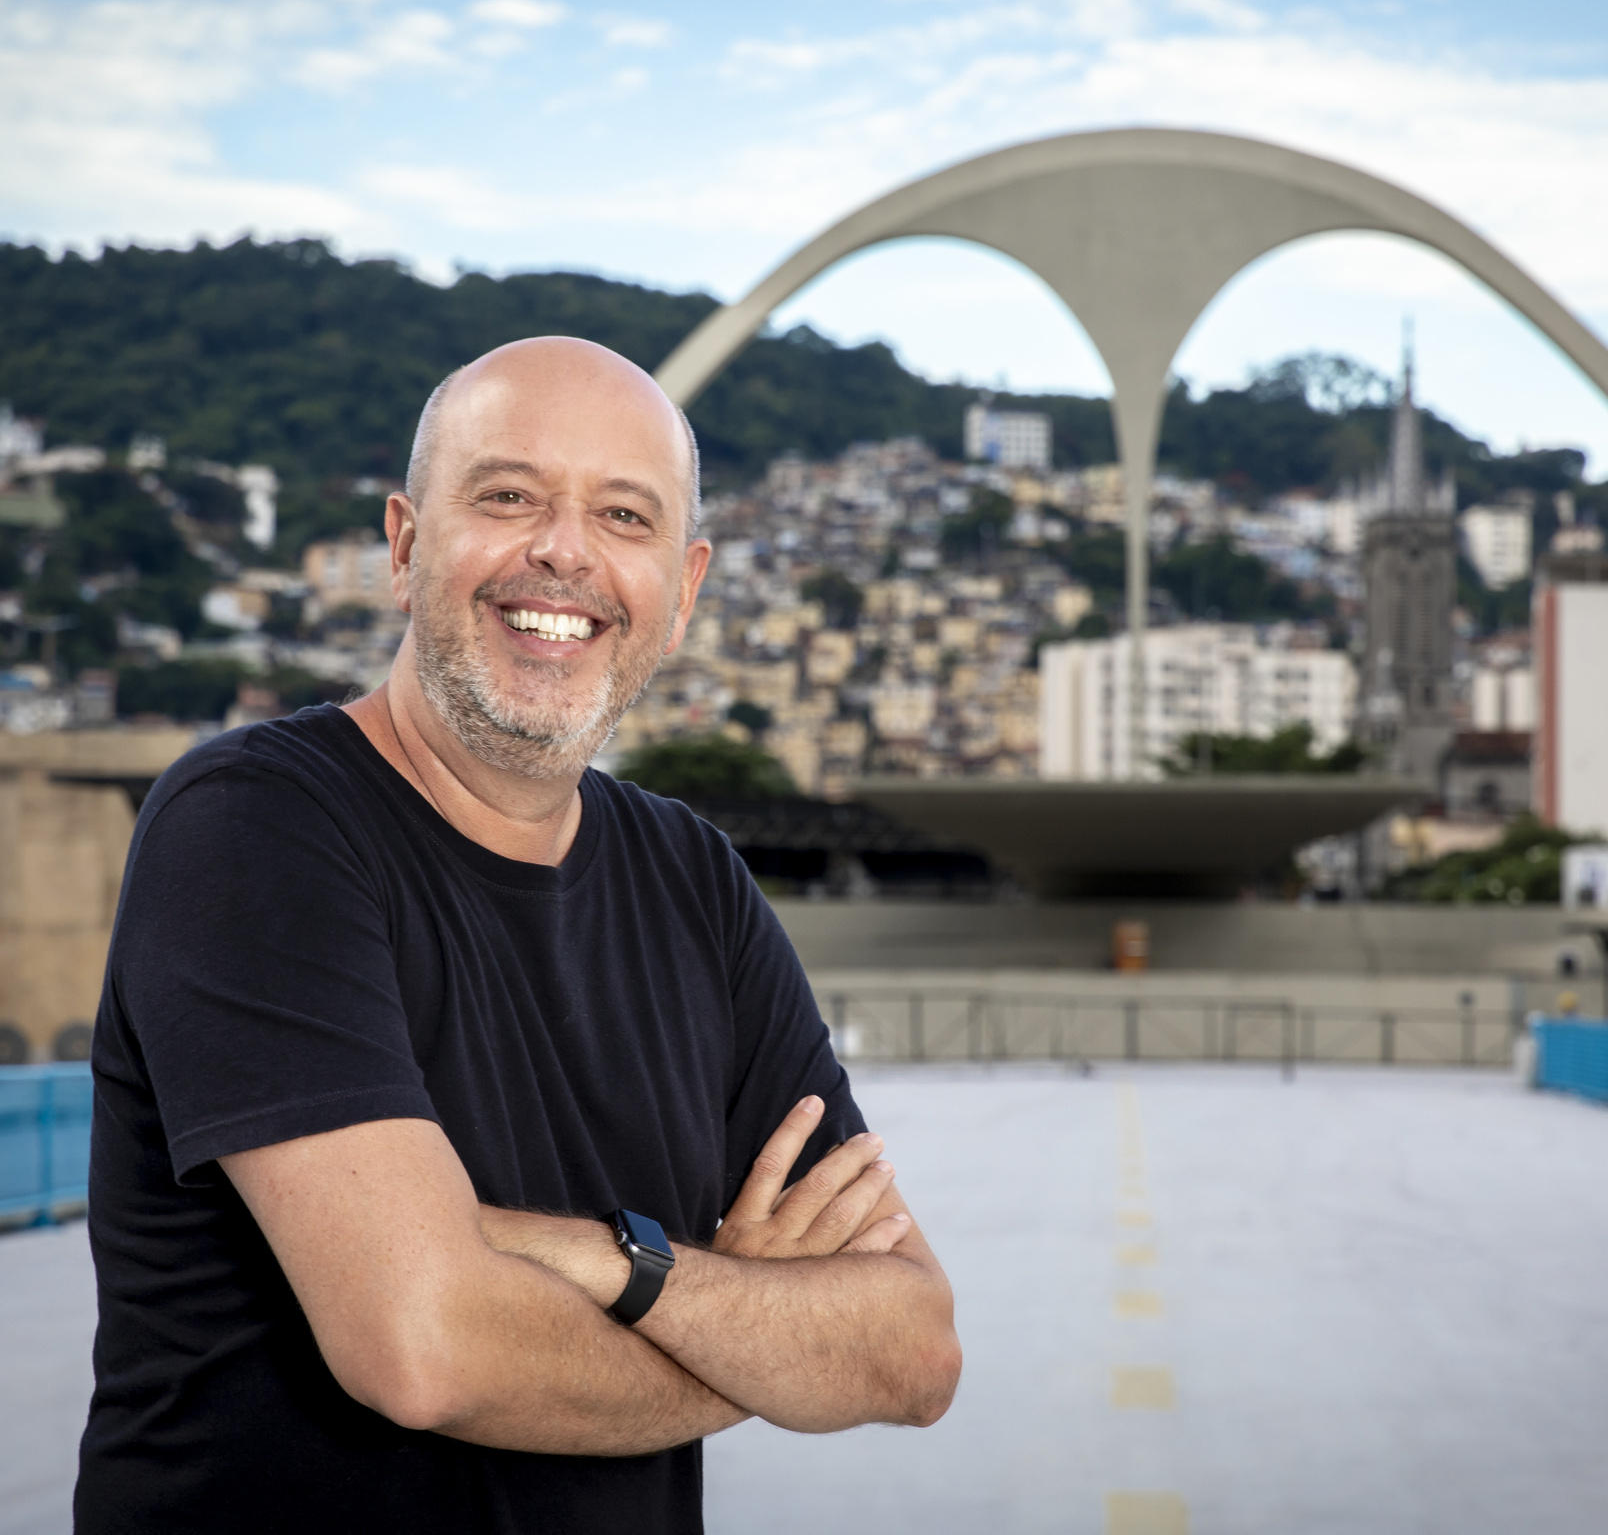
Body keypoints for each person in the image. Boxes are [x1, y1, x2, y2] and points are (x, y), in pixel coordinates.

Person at [73, 338, 961, 1532]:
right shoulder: (255, 826)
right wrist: (747, 1319)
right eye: (507, 496)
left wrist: (606, 1263)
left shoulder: (695, 879)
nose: (564, 551)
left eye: (624, 515)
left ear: (686, 588)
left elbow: (911, 1352)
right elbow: (425, 1347)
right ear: (402, 545)